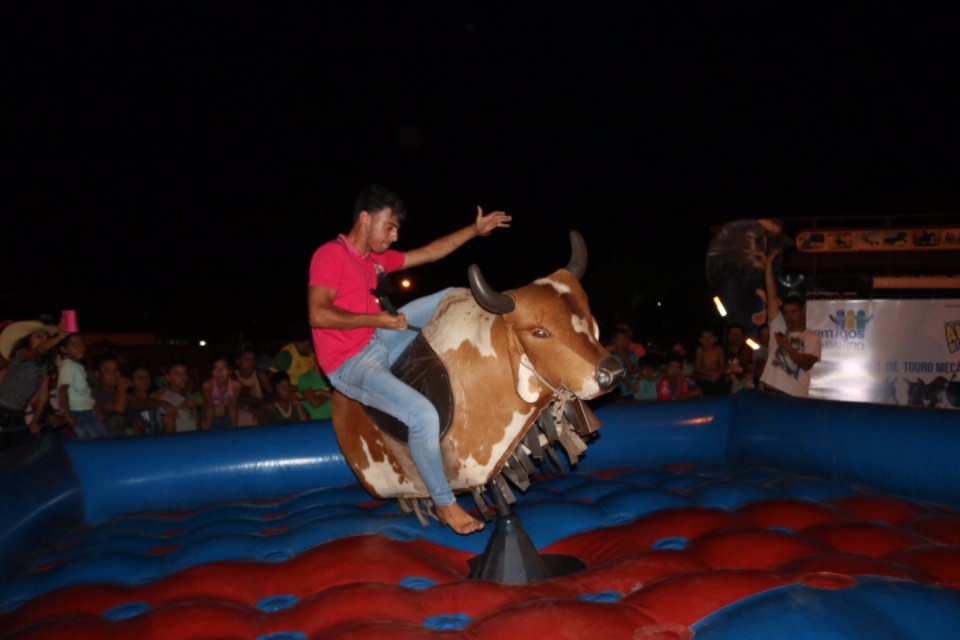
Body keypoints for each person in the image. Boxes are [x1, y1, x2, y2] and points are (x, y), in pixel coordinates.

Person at [307, 184, 511, 535]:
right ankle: (445, 504)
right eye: (389, 226)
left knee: (451, 296)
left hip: (378, 338)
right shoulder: (329, 255)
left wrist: (474, 230)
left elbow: (432, 252)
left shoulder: (373, 261)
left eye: (398, 228)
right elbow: (319, 314)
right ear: (365, 218)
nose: (394, 235)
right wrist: (378, 320)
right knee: (421, 416)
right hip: (350, 363)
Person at [759, 249, 822, 397]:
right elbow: (771, 294)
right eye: (786, 312)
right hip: (769, 393)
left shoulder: (812, 337)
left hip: (792, 397)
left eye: (793, 312)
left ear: (803, 311)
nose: (789, 316)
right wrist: (768, 265)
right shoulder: (779, 325)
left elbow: (806, 364)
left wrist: (787, 347)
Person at [0, 319, 67, 448]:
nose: (44, 340)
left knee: (17, 451)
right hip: (1, 408)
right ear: (27, 341)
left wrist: (35, 421)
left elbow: (43, 395)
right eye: (38, 336)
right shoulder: (21, 356)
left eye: (46, 337)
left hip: (17, 413)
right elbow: (38, 351)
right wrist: (59, 337)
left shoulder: (45, 365)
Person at [58, 333, 108, 439]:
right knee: (95, 441)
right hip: (77, 411)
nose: (80, 347)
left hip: (85, 410)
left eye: (81, 344)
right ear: (64, 349)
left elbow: (84, 392)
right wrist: (68, 415)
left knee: (101, 438)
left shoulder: (77, 366)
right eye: (74, 345)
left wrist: (96, 409)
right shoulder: (69, 366)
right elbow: (63, 390)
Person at [92, 352, 133, 436]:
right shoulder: (96, 392)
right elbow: (118, 410)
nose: (114, 374)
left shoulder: (118, 392)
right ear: (98, 374)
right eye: (108, 371)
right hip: (110, 440)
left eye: (116, 370)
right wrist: (121, 386)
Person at [153, 361, 199, 432]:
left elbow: (198, 427)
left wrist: (194, 409)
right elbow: (170, 435)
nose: (183, 377)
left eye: (185, 373)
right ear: (168, 377)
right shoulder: (165, 399)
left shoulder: (189, 396)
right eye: (178, 374)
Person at [234, 343, 272, 426]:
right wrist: (261, 403)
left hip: (258, 417)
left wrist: (263, 407)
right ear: (238, 361)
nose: (251, 363)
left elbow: (272, 393)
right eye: (246, 359)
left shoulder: (259, 374)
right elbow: (240, 397)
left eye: (253, 359)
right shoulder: (233, 377)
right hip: (238, 420)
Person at [201, 356, 242, 430]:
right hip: (210, 418)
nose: (219, 372)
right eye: (216, 368)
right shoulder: (207, 386)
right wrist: (207, 430)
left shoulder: (236, 386)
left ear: (230, 371)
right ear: (212, 372)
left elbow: (232, 407)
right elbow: (209, 408)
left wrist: (235, 428)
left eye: (223, 368)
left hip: (226, 419)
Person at [608, 327, 640, 399]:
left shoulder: (632, 354)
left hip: (632, 391)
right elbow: (611, 374)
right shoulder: (611, 356)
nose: (622, 342)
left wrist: (626, 358)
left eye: (624, 339)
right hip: (617, 392)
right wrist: (623, 381)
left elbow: (633, 370)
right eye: (620, 340)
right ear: (614, 341)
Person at [724, 323, 755, 393]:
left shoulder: (750, 352)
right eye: (732, 334)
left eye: (738, 334)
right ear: (727, 336)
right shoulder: (721, 352)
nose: (735, 337)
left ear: (743, 336)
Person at [694, 328, 725, 395]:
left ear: (715, 339)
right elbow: (697, 368)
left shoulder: (719, 350)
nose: (707, 340)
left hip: (716, 380)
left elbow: (722, 366)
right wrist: (710, 374)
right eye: (704, 338)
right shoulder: (700, 350)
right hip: (704, 380)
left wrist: (718, 373)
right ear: (700, 340)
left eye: (710, 337)